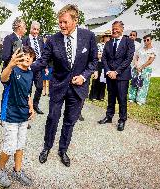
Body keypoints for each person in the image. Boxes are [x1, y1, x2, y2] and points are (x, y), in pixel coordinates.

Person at [31, 4, 98, 167]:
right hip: (58, 86)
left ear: (75, 20)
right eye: (59, 22)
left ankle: (63, 150)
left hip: (78, 89)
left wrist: (84, 76)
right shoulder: (53, 39)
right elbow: (43, 60)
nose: (61, 25)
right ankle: (47, 147)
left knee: (70, 121)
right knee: (53, 118)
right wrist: (25, 67)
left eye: (65, 22)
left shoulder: (88, 36)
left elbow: (94, 61)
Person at [0, 46, 35, 188]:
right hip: (10, 114)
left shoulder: (30, 73)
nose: (28, 57)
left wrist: (31, 107)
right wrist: (10, 64)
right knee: (10, 146)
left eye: (31, 55)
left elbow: (28, 93)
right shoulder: (13, 70)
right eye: (25, 55)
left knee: (20, 145)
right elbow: (2, 78)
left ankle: (17, 171)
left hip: (23, 116)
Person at [98, 21, 135, 131]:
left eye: (117, 28)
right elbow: (104, 58)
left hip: (122, 76)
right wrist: (109, 71)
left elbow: (128, 59)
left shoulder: (129, 42)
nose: (115, 30)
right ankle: (109, 116)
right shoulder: (108, 43)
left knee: (122, 99)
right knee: (111, 97)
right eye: (113, 28)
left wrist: (116, 72)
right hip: (110, 75)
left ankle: (122, 120)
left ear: (122, 29)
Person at [23, 21, 45, 114]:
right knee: (28, 89)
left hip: (39, 68)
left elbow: (44, 54)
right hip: (29, 68)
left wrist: (45, 66)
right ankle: (27, 108)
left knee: (39, 87)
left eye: (37, 29)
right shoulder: (25, 39)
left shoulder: (40, 40)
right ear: (30, 28)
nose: (36, 31)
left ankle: (35, 105)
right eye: (34, 29)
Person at [129, 34, 157, 105]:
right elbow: (136, 57)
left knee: (143, 84)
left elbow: (150, 60)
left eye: (147, 40)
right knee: (134, 83)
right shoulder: (141, 49)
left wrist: (142, 67)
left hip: (146, 69)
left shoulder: (153, 50)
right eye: (144, 40)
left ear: (151, 40)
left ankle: (140, 100)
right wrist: (136, 65)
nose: (146, 41)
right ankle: (131, 98)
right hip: (137, 67)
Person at [89, 30, 111, 101]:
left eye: (109, 36)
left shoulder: (111, 46)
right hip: (99, 63)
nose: (108, 38)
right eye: (107, 36)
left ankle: (101, 96)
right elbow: (97, 55)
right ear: (103, 37)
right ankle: (93, 96)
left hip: (106, 64)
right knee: (96, 79)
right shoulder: (99, 45)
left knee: (103, 80)